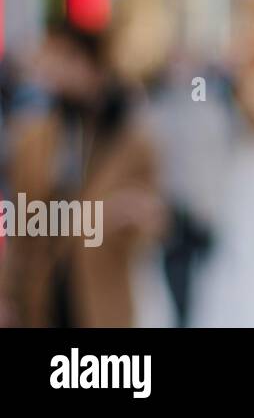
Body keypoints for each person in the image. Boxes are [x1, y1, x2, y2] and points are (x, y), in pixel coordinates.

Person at [0, 21, 166, 327]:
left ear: (93, 65)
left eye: (67, 59)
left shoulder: (130, 141)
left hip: (101, 303)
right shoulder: (33, 139)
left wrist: (132, 215)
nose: (56, 71)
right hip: (40, 303)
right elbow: (19, 225)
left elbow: (153, 220)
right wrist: (6, 295)